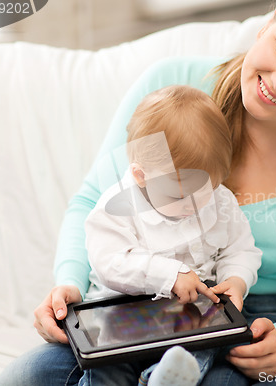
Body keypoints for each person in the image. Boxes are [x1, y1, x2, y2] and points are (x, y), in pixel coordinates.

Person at [0, 0, 276, 385]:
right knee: (28, 377)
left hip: (247, 311)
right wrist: (68, 285)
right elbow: (97, 204)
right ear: (268, 24)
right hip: (134, 302)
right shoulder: (171, 92)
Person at [83, 85, 262, 386]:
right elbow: (109, 263)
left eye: (204, 193)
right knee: (106, 368)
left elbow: (241, 249)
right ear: (141, 176)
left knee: (205, 346)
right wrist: (171, 275)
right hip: (123, 319)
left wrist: (236, 280)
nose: (192, 207)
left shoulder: (221, 200)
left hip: (189, 318)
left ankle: (160, 380)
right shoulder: (117, 207)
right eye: (179, 197)